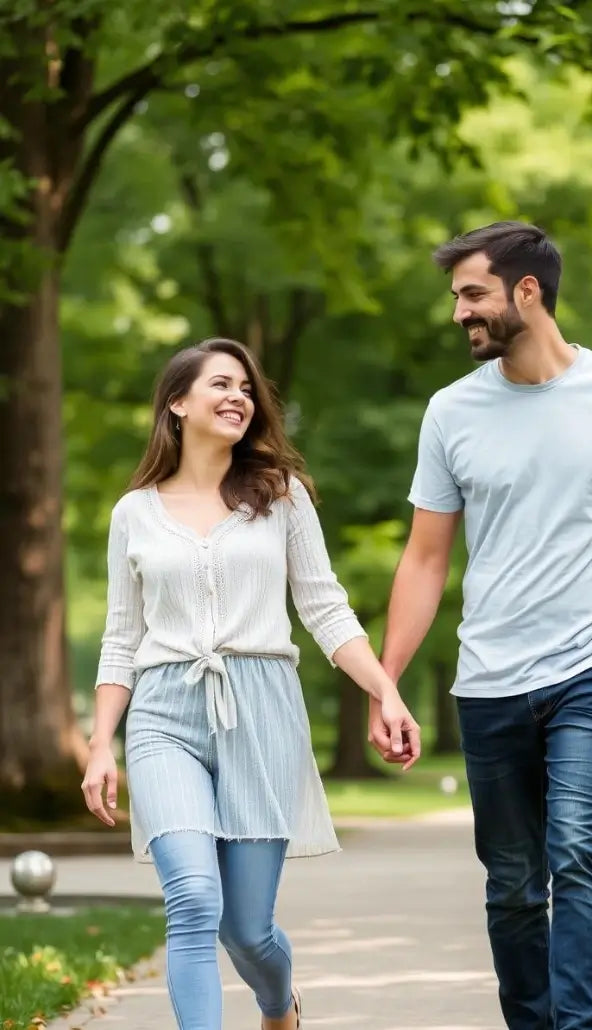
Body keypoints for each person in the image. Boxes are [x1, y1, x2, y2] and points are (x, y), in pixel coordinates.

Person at [368, 221, 592, 1030]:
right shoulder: (451, 412)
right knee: (513, 882)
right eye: (456, 298)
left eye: (473, 294)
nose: (459, 315)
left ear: (528, 292)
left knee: (579, 857)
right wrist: (386, 682)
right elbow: (423, 560)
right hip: (491, 678)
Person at [82, 337, 420, 1030]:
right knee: (193, 900)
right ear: (178, 404)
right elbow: (122, 638)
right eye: (220, 384)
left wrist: (386, 691)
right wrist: (98, 744)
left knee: (247, 930)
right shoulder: (134, 513)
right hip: (164, 714)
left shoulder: (281, 498)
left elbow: (325, 609)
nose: (239, 396)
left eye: (245, 387)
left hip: (262, 710)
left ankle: (278, 1003)